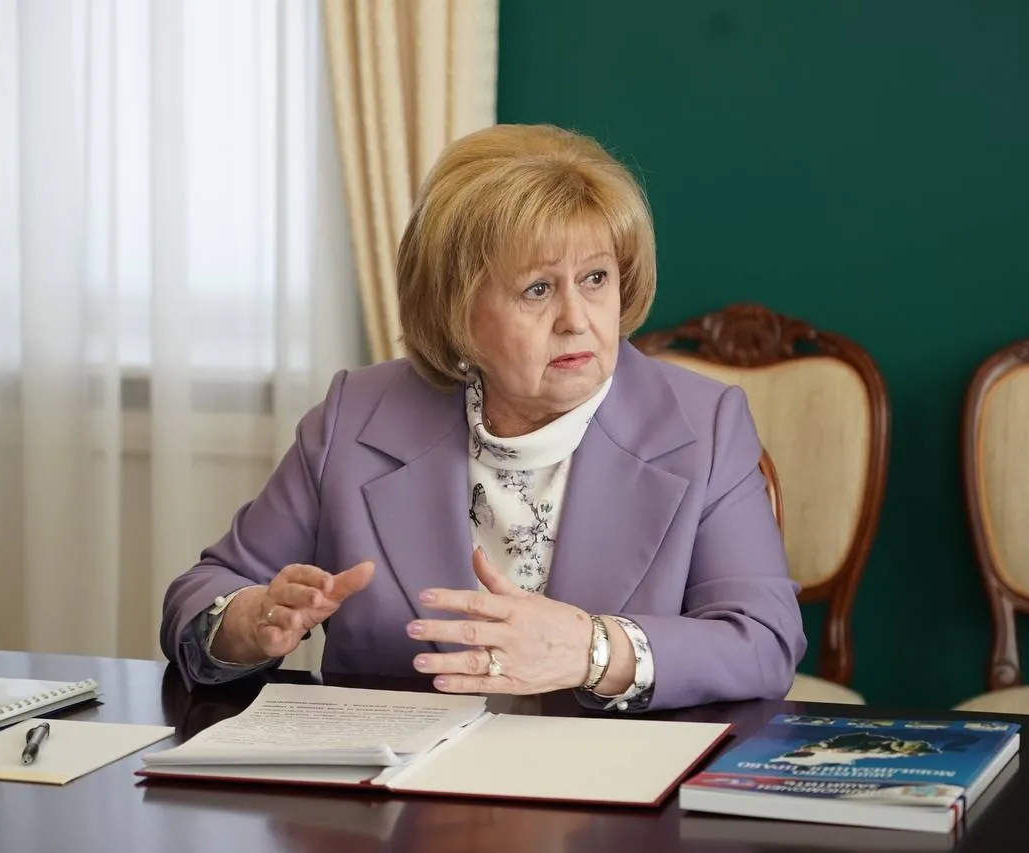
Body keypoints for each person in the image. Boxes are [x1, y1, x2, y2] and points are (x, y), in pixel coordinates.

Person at [158, 123, 806, 712]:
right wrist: (250, 621)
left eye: (596, 279)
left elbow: (764, 640)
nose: (576, 319)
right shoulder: (354, 418)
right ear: (458, 311)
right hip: (398, 786)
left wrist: (593, 649)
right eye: (537, 289)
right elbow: (202, 592)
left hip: (608, 787)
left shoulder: (703, 425)